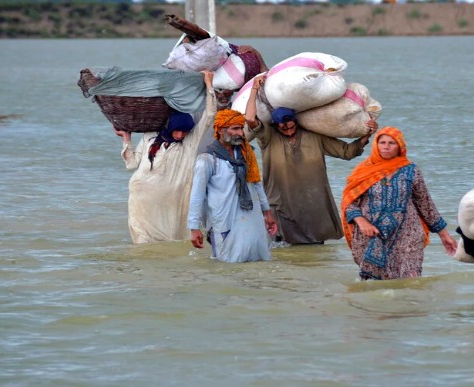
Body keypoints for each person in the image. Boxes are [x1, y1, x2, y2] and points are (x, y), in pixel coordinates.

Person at [243, 75, 378, 245]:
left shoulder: (314, 136)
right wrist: (254, 89)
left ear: (296, 122)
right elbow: (249, 119)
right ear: (276, 126)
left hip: (313, 204)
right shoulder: (268, 138)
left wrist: (367, 134)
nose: (288, 130)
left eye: (291, 126)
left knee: (314, 248)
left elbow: (347, 152)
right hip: (280, 203)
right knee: (281, 248)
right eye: (283, 128)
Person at [341, 127, 457, 280]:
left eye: (392, 143)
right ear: (376, 145)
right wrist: (361, 222)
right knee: (373, 286)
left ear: (400, 147)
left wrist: (444, 235)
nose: (386, 146)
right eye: (382, 142)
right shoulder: (363, 171)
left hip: (408, 235)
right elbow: (349, 203)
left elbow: (426, 204)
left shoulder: (411, 170)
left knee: (411, 281)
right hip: (370, 234)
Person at [116, 70, 217, 244]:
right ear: (170, 126)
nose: (181, 135)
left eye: (185, 131)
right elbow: (132, 164)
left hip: (172, 199)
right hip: (142, 197)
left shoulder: (190, 142)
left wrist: (209, 85)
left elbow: (209, 115)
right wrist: (127, 139)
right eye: (178, 130)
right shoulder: (149, 137)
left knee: (174, 238)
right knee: (142, 241)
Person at [187, 109, 278, 263]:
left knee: (256, 262)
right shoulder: (207, 159)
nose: (241, 133)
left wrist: (267, 213)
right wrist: (194, 228)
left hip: (251, 217)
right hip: (223, 222)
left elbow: (256, 184)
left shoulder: (246, 154)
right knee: (227, 266)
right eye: (235, 128)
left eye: (241, 128)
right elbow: (197, 195)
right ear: (221, 131)